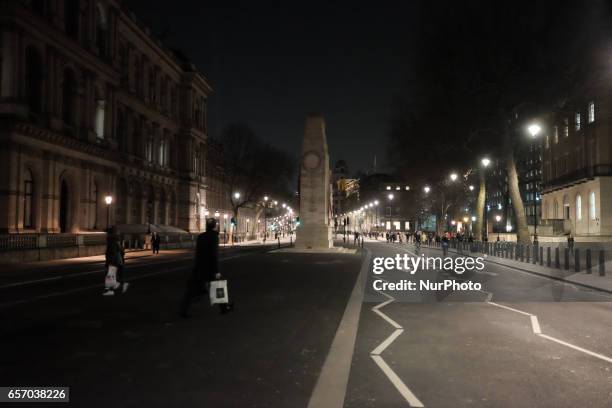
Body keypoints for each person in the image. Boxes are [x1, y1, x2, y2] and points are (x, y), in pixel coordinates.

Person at [180, 218, 231, 317]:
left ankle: (183, 310)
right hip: (210, 268)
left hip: (199, 267)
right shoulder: (214, 237)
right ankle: (224, 308)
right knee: (218, 287)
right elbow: (214, 255)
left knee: (191, 290)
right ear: (215, 226)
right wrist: (216, 270)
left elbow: (198, 254)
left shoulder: (201, 237)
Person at [103, 228, 129, 296]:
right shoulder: (114, 241)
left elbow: (111, 253)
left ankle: (113, 289)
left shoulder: (112, 242)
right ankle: (120, 285)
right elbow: (120, 250)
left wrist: (109, 262)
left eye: (108, 233)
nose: (106, 234)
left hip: (114, 261)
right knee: (116, 275)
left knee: (111, 275)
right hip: (117, 260)